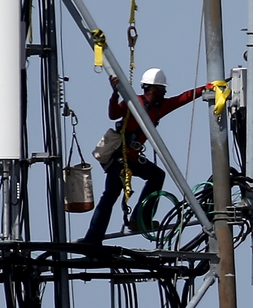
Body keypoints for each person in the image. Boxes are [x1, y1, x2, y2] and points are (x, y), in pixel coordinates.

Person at [82, 68, 208, 245]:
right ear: (153, 89)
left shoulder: (160, 106)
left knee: (157, 175)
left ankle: (140, 219)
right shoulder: (134, 102)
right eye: (162, 88)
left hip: (133, 159)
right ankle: (92, 239)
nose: (165, 92)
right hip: (120, 159)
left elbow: (183, 98)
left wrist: (205, 88)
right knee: (110, 196)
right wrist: (115, 94)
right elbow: (114, 114)